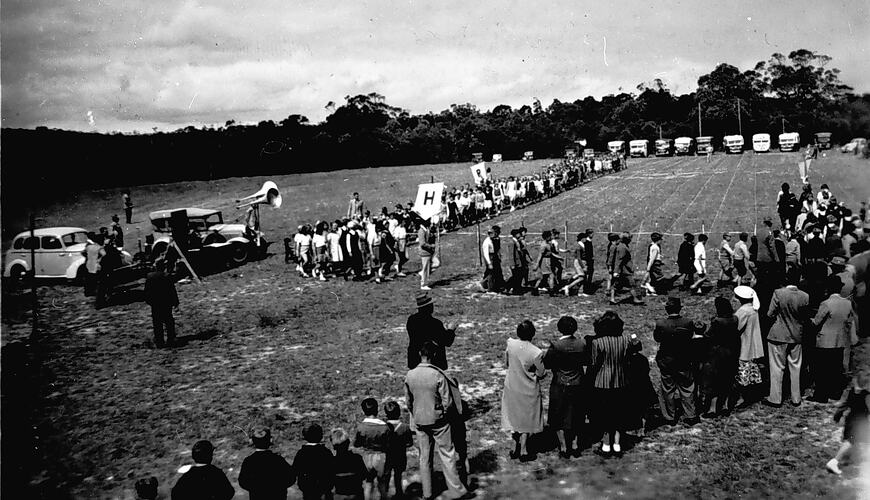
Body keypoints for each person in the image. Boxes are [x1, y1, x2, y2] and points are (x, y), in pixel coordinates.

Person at [404, 341, 468, 500]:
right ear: (434, 355)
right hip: (439, 421)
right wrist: (444, 415)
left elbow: (408, 402)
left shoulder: (410, 375)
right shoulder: (438, 375)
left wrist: (416, 413)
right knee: (447, 455)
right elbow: (448, 402)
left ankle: (427, 492)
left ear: (420, 354)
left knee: (424, 458)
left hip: (420, 420)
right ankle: (456, 491)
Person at [588, 311, 641, 457]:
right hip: (621, 380)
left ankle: (606, 445)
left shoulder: (597, 343)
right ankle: (617, 445)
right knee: (618, 414)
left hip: (602, 382)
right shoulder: (625, 340)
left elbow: (593, 364)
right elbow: (638, 344)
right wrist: (633, 335)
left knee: (605, 415)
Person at [542, 316, 589, 458]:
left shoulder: (556, 346)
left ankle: (563, 447)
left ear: (559, 329)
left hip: (560, 383)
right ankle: (574, 444)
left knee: (558, 417)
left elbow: (548, 364)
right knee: (577, 415)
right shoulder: (581, 344)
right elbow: (586, 360)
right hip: (578, 383)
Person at [501, 320, 546, 462]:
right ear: (533, 334)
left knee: (514, 415)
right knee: (526, 418)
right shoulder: (536, 352)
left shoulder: (510, 344)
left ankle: (515, 446)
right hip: (528, 388)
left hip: (512, 385)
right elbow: (541, 372)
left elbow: (506, 362)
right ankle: (524, 449)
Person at [764, 270, 810, 408]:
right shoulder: (804, 296)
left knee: (777, 367)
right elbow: (804, 317)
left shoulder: (778, 293)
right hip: (796, 335)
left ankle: (775, 398)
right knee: (796, 367)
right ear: (800, 278)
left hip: (778, 334)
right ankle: (796, 398)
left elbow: (770, 313)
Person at [654, 297, 701, 425]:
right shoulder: (688, 322)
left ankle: (670, 417)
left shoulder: (661, 323)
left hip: (667, 360)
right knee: (687, 388)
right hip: (684, 360)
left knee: (667, 389)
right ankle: (690, 415)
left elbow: (657, 339)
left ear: (666, 309)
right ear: (679, 308)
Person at [811, 276, 854, 402]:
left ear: (828, 288)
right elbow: (848, 321)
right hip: (840, 340)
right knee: (835, 369)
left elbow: (816, 322)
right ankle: (835, 393)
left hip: (825, 341)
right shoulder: (847, 303)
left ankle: (821, 395)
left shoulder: (826, 303)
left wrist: (808, 319)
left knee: (822, 369)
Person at [699, 297, 740, 417]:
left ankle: (712, 408)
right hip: (731, 352)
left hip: (718, 353)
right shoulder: (735, 319)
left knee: (714, 380)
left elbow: (708, 335)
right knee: (727, 378)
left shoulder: (717, 321)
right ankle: (725, 406)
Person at [238, 428, 295, 500]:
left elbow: (243, 482)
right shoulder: (278, 460)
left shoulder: (249, 461)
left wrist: (256, 489)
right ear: (270, 440)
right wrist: (279, 487)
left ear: (252, 442)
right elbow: (291, 478)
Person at [353, 398, 392, 500]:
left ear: (363, 411)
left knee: (368, 483)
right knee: (382, 484)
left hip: (367, 457)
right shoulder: (385, 427)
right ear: (377, 409)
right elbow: (389, 444)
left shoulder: (361, 427)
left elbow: (356, 444)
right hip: (381, 457)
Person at [733, 286, 765, 409]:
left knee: (742, 372)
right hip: (754, 344)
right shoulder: (753, 309)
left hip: (744, 344)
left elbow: (737, 327)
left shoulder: (743, 311)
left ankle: (742, 397)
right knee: (752, 371)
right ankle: (752, 394)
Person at [406, 292, 456, 370]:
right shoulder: (435, 323)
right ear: (428, 307)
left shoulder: (411, 320)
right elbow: (447, 341)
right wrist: (450, 330)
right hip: (434, 363)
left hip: (415, 361)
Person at [170, 440, 235, 500]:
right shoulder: (216, 473)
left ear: (193, 457)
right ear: (210, 456)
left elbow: (175, 495)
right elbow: (229, 492)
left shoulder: (188, 475)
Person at [291, 424, 334, 500]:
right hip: (324, 489)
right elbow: (333, 469)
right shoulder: (326, 452)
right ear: (321, 436)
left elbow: (295, 471)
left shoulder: (301, 453)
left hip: (307, 489)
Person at [144, 259, 179, 348]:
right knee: (169, 321)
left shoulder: (150, 276)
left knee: (157, 322)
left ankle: (159, 341)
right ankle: (171, 339)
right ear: (164, 267)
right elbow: (172, 291)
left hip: (155, 303)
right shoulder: (167, 276)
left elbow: (147, 291)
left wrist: (149, 301)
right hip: (166, 302)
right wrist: (175, 302)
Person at [383, 401, 413, 499]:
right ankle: (399, 493)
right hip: (400, 455)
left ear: (386, 414)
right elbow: (409, 443)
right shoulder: (405, 427)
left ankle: (384, 492)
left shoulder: (383, 427)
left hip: (387, 455)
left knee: (386, 474)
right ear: (399, 413)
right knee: (398, 475)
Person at [330, 428, 367, 500]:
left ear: (334, 446)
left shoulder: (331, 462)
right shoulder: (357, 459)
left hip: (339, 494)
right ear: (348, 443)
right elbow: (364, 475)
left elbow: (329, 481)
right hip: (356, 494)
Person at [610, 233, 643, 305]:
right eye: (629, 238)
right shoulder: (622, 248)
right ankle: (635, 299)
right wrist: (616, 271)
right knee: (631, 284)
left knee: (616, 284)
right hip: (624, 270)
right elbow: (619, 260)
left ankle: (612, 299)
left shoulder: (622, 246)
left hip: (622, 269)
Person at [504, 229, 526, 295]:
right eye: (518, 234)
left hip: (519, 262)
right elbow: (511, 254)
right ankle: (509, 287)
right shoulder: (512, 242)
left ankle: (516, 289)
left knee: (518, 276)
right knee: (515, 276)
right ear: (515, 234)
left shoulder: (517, 241)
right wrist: (512, 264)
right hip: (515, 263)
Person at [82, 233, 105, 297]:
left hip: (89, 264)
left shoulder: (89, 246)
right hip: (96, 265)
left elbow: (83, 252)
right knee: (97, 281)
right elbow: (104, 255)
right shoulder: (99, 248)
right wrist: (99, 259)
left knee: (89, 279)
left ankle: (88, 292)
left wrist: (88, 257)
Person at [481, 226, 502, 293]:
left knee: (497, 271)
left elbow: (497, 249)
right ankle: (490, 288)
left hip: (494, 256)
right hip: (490, 257)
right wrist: (489, 263)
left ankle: (497, 285)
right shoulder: (487, 242)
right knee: (491, 273)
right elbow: (486, 254)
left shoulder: (495, 239)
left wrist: (499, 256)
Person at [417, 219, 436, 290]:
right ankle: (423, 284)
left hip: (428, 251)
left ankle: (423, 275)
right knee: (425, 268)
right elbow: (422, 243)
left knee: (436, 264)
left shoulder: (426, 230)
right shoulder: (421, 231)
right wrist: (431, 246)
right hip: (424, 252)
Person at [582, 229, 596, 295]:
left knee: (589, 274)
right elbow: (587, 253)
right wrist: (590, 259)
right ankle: (587, 289)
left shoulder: (589, 241)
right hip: (589, 261)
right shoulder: (587, 242)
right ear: (589, 234)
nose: (593, 235)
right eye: (592, 233)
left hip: (590, 260)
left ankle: (587, 288)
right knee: (588, 274)